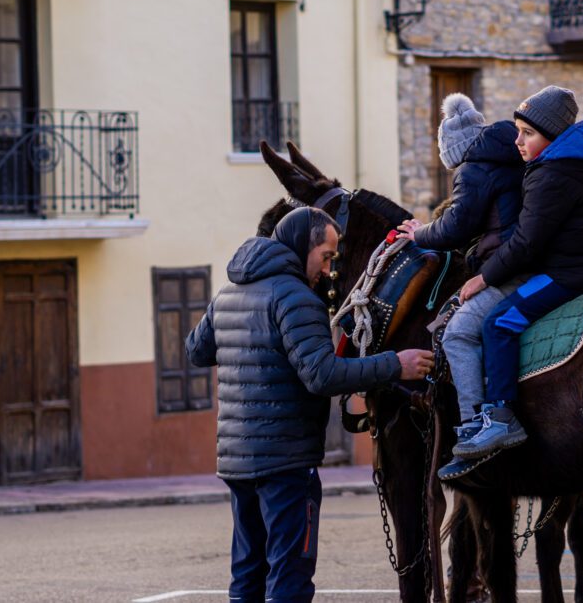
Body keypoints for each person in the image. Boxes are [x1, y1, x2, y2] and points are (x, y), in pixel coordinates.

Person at [186, 207, 434, 602]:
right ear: (304, 246)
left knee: (247, 575)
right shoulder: (297, 297)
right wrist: (395, 365)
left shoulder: (229, 293)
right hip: (284, 462)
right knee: (290, 578)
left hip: (236, 461)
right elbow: (322, 375)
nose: (329, 270)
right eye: (326, 256)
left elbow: (196, 351)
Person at [452, 85, 583, 460]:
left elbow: (526, 243)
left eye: (528, 133)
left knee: (498, 323)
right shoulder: (577, 162)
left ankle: (501, 417)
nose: (518, 141)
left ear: (552, 136)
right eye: (518, 131)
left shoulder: (551, 174)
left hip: (572, 273)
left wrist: (483, 277)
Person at [396, 93, 526, 479]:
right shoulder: (513, 155)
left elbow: (456, 226)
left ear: (452, 149)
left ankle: (475, 425)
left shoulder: (472, 169)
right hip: (529, 263)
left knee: (457, 334)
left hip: (508, 271)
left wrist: (419, 234)